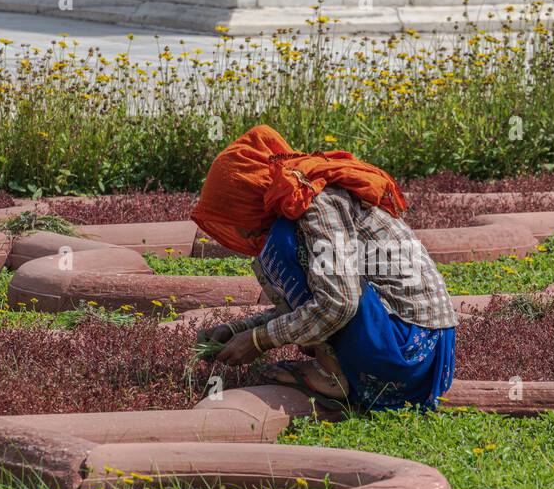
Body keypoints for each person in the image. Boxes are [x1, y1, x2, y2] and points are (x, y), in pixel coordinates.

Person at [189, 125, 458, 410]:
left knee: (282, 241)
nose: (242, 234)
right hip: (414, 353)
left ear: (250, 194)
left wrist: (259, 340)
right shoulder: (299, 200)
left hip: (407, 351)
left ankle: (334, 376)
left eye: (235, 216)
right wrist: (238, 329)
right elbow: (321, 297)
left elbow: (338, 303)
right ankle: (343, 374)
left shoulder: (314, 201)